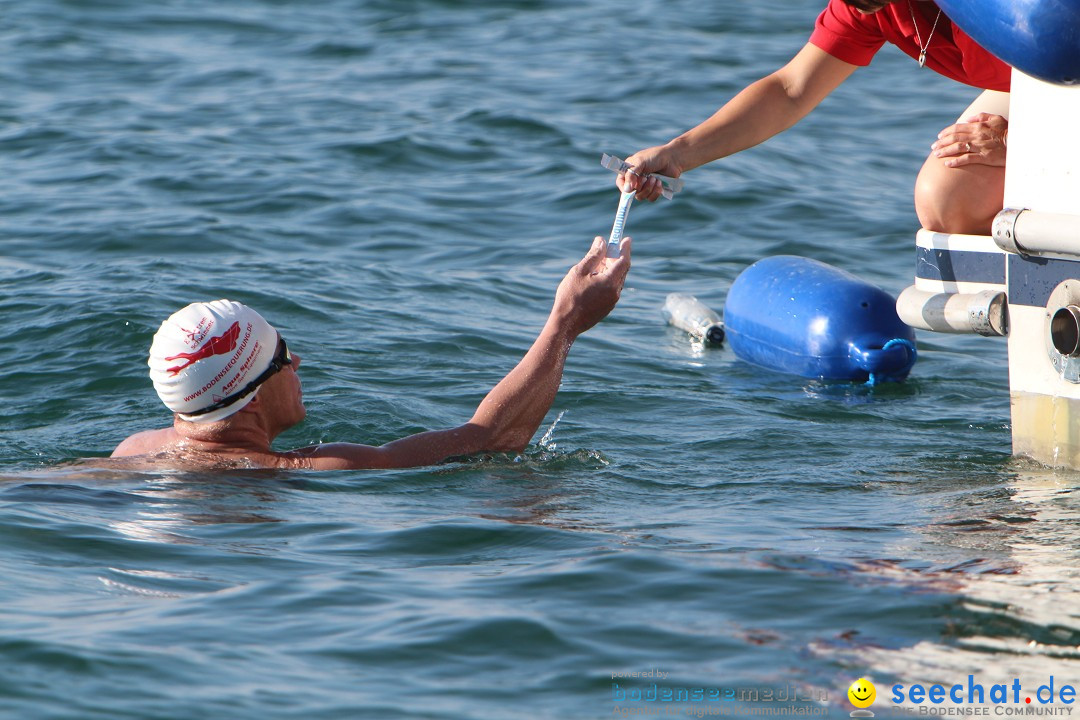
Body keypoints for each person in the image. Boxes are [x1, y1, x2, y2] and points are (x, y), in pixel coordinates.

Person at [111, 237, 631, 470]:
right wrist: (566, 324)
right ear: (247, 397)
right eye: (281, 358)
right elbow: (493, 439)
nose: (296, 364)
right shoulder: (309, 470)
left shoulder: (133, 454)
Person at [619, 0, 1010, 236]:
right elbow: (791, 89)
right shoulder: (871, 7)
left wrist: (1018, 142)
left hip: (1067, 84)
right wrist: (677, 154)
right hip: (1028, 84)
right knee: (945, 201)